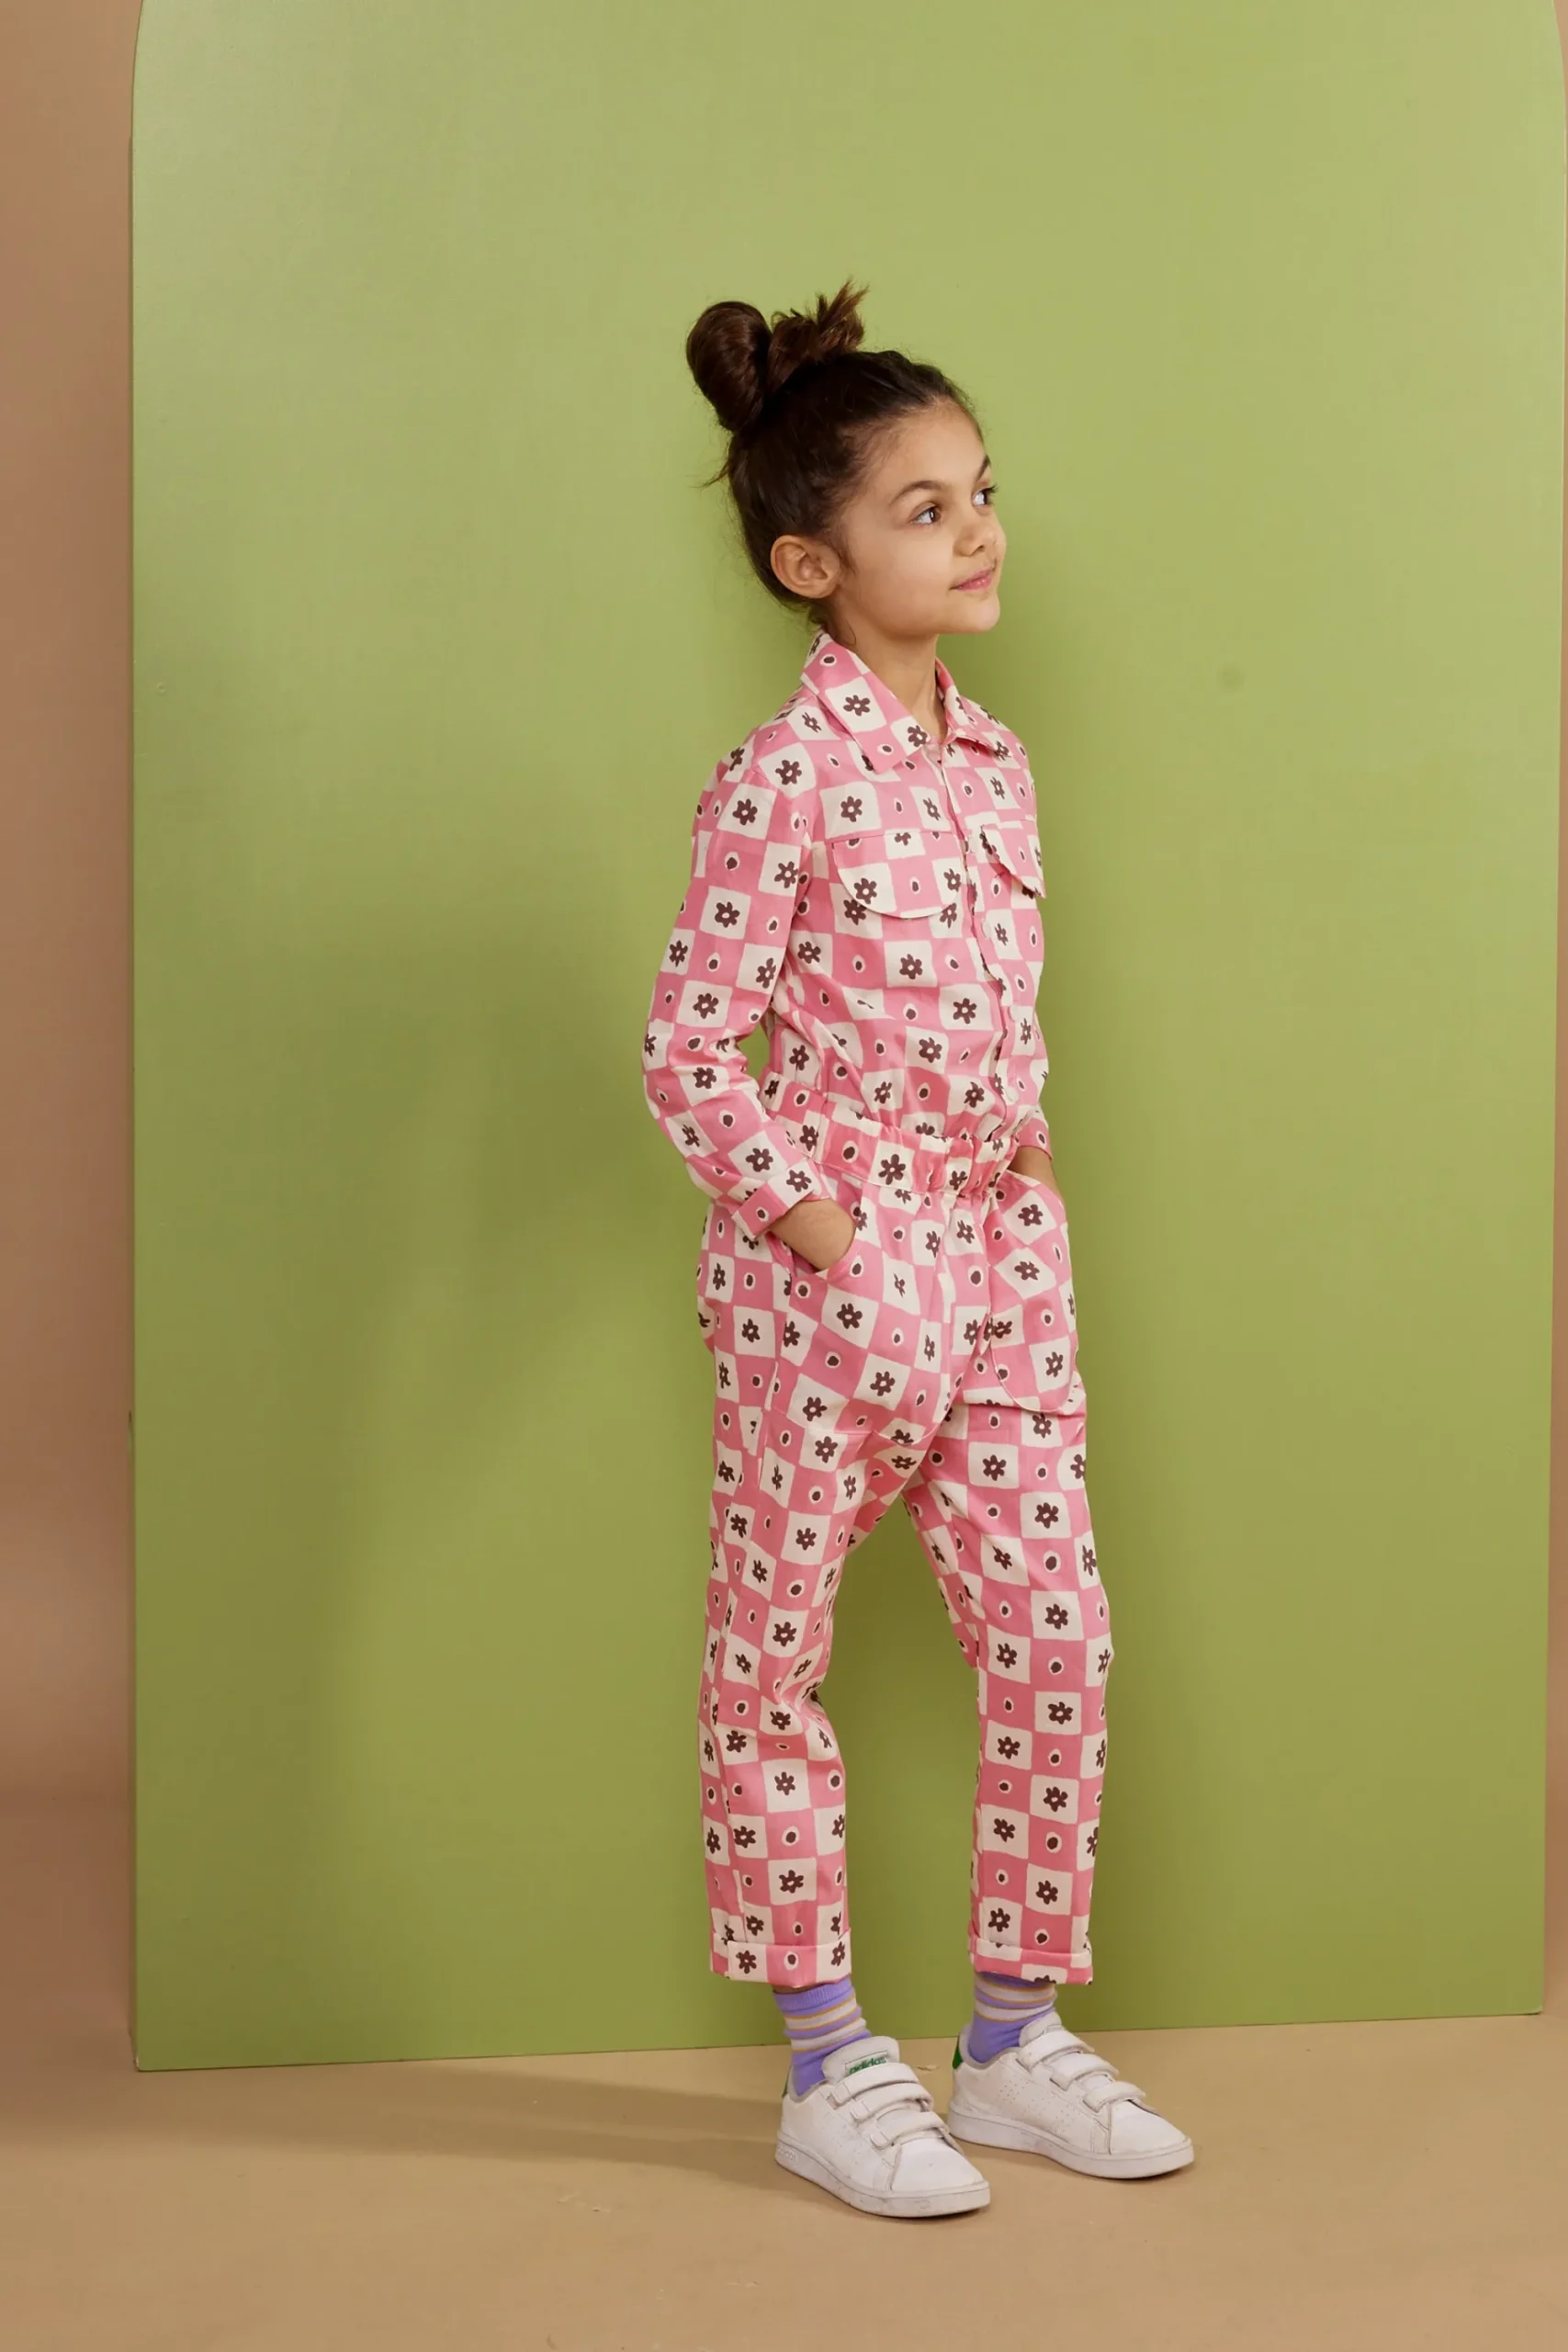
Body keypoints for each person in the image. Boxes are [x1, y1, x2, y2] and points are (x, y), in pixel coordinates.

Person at [642, 280, 1192, 2220]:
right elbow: (688, 1046)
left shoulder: (995, 759)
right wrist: (821, 1227)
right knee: (773, 1656)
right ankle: (825, 2062)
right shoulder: (777, 774)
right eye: (926, 508)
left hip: (1002, 1256)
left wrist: (1020, 1167)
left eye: (982, 493)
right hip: (833, 1280)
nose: (978, 532)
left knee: (1055, 1636)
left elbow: (992, 1003)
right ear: (812, 563)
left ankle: (1013, 2041)